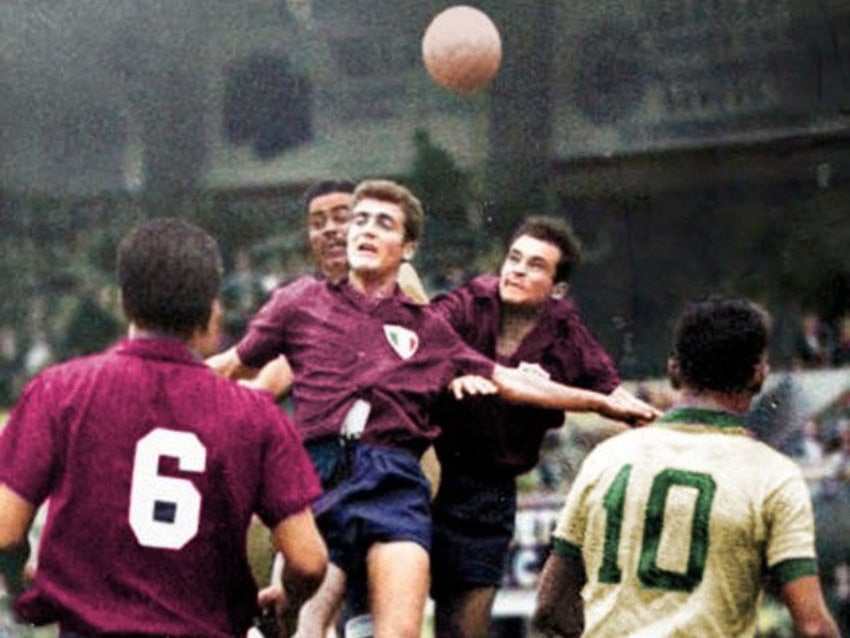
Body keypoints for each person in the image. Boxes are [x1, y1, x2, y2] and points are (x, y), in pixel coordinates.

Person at [209, 179, 657, 638]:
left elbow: (508, 380)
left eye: (383, 223)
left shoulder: (428, 327)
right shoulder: (300, 301)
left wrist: (599, 402)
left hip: (398, 484)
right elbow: (231, 365)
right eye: (360, 220)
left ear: (407, 249)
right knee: (308, 622)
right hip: (325, 474)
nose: (366, 229)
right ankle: (281, 613)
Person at [0, 218, 328, 637]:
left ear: (124, 301)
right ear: (212, 308)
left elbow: (5, 530)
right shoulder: (255, 414)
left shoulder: (59, 390)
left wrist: (23, 588)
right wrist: (288, 601)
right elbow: (308, 561)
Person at [533, 295, 840, 638]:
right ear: (759, 373)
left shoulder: (606, 458)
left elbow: (550, 605)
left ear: (674, 369)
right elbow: (813, 626)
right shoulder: (773, 475)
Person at [427, 215, 659, 638]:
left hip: (490, 493)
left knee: (463, 629)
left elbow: (613, 394)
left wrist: (668, 427)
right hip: (427, 477)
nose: (516, 270)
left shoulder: (567, 334)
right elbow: (425, 339)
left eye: (534, 265)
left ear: (557, 289)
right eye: (514, 258)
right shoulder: (468, 302)